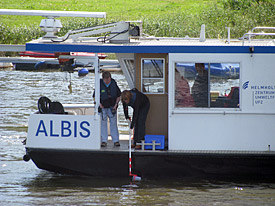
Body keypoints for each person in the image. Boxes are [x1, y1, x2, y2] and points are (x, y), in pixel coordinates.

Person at [94, 71, 121, 147]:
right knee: (103, 124)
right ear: (103, 79)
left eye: (108, 79)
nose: (107, 81)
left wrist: (116, 105)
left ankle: (116, 140)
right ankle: (104, 141)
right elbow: (95, 96)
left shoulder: (114, 83)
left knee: (113, 124)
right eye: (106, 80)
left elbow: (119, 96)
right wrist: (99, 104)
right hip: (103, 107)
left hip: (112, 106)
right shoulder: (99, 84)